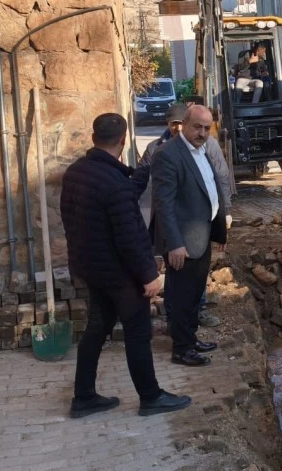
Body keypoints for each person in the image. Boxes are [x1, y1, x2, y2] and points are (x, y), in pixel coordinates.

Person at [59, 113, 192, 418]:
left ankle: (84, 397)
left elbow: (93, 212)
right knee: (137, 333)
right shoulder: (114, 184)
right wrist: (148, 277)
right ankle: (151, 396)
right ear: (123, 140)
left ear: (94, 138)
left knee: (96, 328)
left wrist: (138, 177)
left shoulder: (76, 172)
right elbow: (128, 236)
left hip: (90, 268)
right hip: (118, 274)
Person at [151, 105, 233, 366]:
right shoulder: (169, 154)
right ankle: (182, 349)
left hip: (201, 235)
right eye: (197, 127)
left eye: (207, 128)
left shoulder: (201, 151)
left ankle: (190, 337)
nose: (202, 133)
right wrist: (174, 243)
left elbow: (211, 190)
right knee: (181, 296)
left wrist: (219, 229)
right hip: (183, 243)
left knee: (194, 292)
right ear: (184, 124)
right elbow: (163, 204)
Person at [139, 102, 188, 168]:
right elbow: (141, 174)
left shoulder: (198, 146)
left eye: (182, 123)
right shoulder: (153, 148)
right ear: (168, 123)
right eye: (174, 123)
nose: (179, 128)